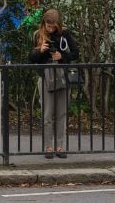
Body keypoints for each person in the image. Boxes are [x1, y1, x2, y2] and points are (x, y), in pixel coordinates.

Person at [30, 8, 79, 159]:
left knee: (61, 113)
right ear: (44, 22)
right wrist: (40, 51)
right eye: (48, 25)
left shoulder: (65, 34)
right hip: (45, 77)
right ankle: (48, 146)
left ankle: (60, 146)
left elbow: (75, 53)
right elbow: (31, 58)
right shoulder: (38, 34)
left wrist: (61, 56)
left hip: (62, 76)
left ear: (58, 24)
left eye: (53, 26)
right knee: (47, 114)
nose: (50, 28)